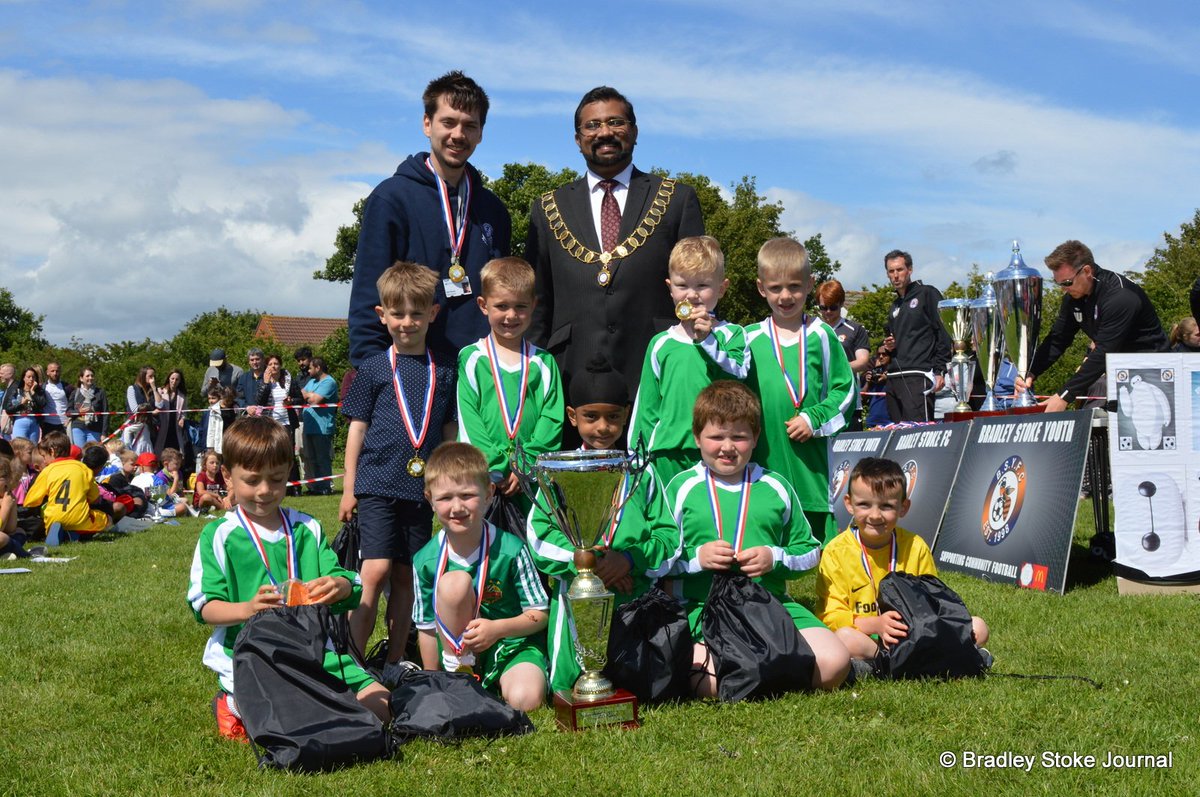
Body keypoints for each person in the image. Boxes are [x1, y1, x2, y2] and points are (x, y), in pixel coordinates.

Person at [187, 415, 390, 741]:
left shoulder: (307, 529)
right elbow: (204, 607)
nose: (265, 491)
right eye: (252, 480)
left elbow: (351, 585)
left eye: (276, 479)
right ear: (227, 476)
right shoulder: (219, 536)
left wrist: (338, 586)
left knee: (381, 707)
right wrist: (248, 608)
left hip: (314, 650)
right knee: (296, 721)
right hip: (252, 655)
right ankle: (233, 703)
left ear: (288, 473)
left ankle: (307, 703)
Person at [663, 381, 850, 696]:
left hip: (770, 604)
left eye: (739, 437)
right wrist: (697, 559)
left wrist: (774, 557)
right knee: (707, 679)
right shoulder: (680, 489)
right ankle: (771, 669)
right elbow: (658, 559)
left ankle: (763, 669)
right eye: (716, 437)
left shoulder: (776, 486)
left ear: (755, 437)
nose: (727, 447)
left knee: (834, 663)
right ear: (696, 437)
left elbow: (809, 552)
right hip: (701, 607)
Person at [525, 86, 705, 399]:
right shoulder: (548, 208)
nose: (605, 132)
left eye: (616, 122)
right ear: (578, 138)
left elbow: (702, 289)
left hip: (658, 370)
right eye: (592, 125)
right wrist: (535, 380)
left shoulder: (677, 199)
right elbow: (537, 303)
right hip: (570, 375)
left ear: (634, 131)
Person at [525, 353, 681, 693]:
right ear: (572, 416)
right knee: (569, 687)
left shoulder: (642, 471)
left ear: (626, 414)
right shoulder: (557, 472)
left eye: (612, 417)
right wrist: (587, 563)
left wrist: (629, 561)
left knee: (639, 687)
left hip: (634, 596)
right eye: (591, 416)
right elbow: (539, 537)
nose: (602, 427)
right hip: (576, 596)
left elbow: (669, 537)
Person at [340, 261, 458, 685]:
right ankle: (352, 664)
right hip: (375, 483)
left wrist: (445, 480)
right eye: (398, 313)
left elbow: (448, 428)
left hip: (420, 489)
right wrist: (349, 487)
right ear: (382, 315)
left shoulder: (445, 369)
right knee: (374, 570)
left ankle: (392, 662)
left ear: (433, 313)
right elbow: (357, 428)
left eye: (416, 313)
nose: (407, 322)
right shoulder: (372, 368)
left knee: (408, 575)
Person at [348, 71, 511, 368]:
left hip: (481, 375)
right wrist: (374, 376)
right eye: (448, 122)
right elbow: (367, 300)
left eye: (469, 125)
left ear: (480, 133)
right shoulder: (391, 199)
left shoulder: (493, 210)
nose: (458, 135)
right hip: (412, 373)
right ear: (427, 124)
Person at [412, 442, 549, 711]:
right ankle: (458, 676)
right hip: (456, 651)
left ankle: (500, 679)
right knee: (454, 583)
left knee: (526, 700)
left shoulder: (512, 549)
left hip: (511, 645)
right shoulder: (424, 560)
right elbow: (426, 627)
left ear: (488, 494)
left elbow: (540, 615)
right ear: (430, 499)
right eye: (445, 498)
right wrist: (432, 679)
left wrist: (497, 629)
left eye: (467, 495)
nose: (457, 507)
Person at [816, 457, 990, 667]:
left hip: (915, 635)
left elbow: (934, 601)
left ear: (903, 507)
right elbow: (830, 615)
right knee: (844, 637)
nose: (875, 515)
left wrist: (915, 628)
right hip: (867, 638)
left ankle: (879, 666)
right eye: (864, 504)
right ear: (849, 504)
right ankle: (895, 662)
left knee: (979, 627)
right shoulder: (835, 552)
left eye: (886, 506)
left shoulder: (916, 547)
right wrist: (876, 625)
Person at [746, 238, 854, 544]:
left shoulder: (822, 335)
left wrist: (813, 419)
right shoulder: (747, 339)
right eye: (775, 287)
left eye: (794, 286)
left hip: (810, 467)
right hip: (762, 461)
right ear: (761, 288)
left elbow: (846, 391)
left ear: (810, 284)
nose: (785, 296)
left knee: (817, 547)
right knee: (764, 540)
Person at [628, 236, 748, 484]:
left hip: (719, 453)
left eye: (702, 285)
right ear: (670, 288)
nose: (692, 295)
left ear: (722, 288)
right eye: (682, 285)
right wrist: (637, 458)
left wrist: (708, 341)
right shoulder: (661, 343)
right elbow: (646, 407)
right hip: (667, 453)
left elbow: (740, 375)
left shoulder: (733, 334)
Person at [1018, 240, 1169, 412]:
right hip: (1121, 375)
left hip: (1154, 373)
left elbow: (1104, 351)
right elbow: (1057, 339)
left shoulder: (1119, 296)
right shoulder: (1073, 298)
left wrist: (1064, 395)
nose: (1063, 290)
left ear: (1087, 271)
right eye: (1058, 283)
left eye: (1067, 282)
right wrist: (1031, 372)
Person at [457, 256, 563, 501]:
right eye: (502, 306)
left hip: (532, 478)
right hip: (483, 478)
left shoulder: (544, 362)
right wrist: (494, 465)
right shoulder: (471, 358)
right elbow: (468, 419)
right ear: (483, 305)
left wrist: (526, 465)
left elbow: (552, 420)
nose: (511, 315)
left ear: (533, 305)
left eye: (520, 306)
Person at [881, 250, 951, 422]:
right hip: (894, 376)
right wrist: (890, 346)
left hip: (918, 374)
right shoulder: (894, 305)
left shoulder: (927, 293)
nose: (895, 275)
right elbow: (899, 341)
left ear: (910, 270)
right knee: (898, 432)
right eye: (891, 271)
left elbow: (944, 332)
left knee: (919, 431)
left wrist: (940, 370)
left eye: (900, 269)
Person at [23, 431, 110, 546]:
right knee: (105, 519)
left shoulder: (47, 471)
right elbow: (95, 498)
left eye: (44, 456)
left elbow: (30, 501)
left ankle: (61, 534)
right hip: (78, 520)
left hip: (53, 520)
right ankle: (73, 535)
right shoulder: (84, 469)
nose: (44, 461)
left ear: (52, 451)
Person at [816, 279, 871, 431]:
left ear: (841, 304)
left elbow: (863, 362)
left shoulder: (855, 329)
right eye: (823, 307)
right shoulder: (812, 330)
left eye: (833, 307)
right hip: (820, 402)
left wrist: (832, 370)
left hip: (849, 402)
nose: (828, 312)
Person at [300, 356, 338, 496]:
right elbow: (302, 393)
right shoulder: (312, 381)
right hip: (310, 427)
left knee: (322, 458)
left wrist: (309, 395)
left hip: (322, 427)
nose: (308, 371)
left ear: (318, 367)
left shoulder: (329, 382)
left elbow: (315, 400)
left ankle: (325, 487)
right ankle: (316, 487)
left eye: (310, 368)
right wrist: (309, 395)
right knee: (312, 459)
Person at [67, 366, 109, 448]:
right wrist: (79, 412)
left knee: (93, 452)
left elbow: (105, 413)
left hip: (95, 428)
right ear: (81, 378)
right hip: (78, 427)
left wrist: (104, 433)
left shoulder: (100, 392)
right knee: (80, 452)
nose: (90, 378)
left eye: (92, 376)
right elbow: (68, 412)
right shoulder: (75, 393)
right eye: (87, 376)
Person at [6, 367, 47, 442]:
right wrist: (21, 404)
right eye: (28, 377)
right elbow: (8, 410)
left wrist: (33, 392)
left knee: (33, 447)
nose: (31, 379)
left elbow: (43, 404)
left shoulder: (39, 391)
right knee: (20, 446)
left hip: (35, 423)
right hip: (20, 421)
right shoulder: (16, 391)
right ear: (23, 378)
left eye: (33, 377)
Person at [153, 369, 189, 457]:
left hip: (176, 429)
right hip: (162, 427)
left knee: (176, 454)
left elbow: (184, 410)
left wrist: (182, 418)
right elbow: (157, 405)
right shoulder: (160, 391)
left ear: (180, 381)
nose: (174, 381)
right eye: (172, 378)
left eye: (177, 379)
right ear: (168, 379)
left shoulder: (182, 395)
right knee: (161, 452)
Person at [40, 362, 69, 438]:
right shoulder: (42, 387)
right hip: (47, 424)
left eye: (57, 371)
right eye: (52, 371)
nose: (55, 373)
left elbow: (73, 405)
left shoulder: (67, 387)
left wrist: (70, 419)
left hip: (64, 424)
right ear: (47, 372)